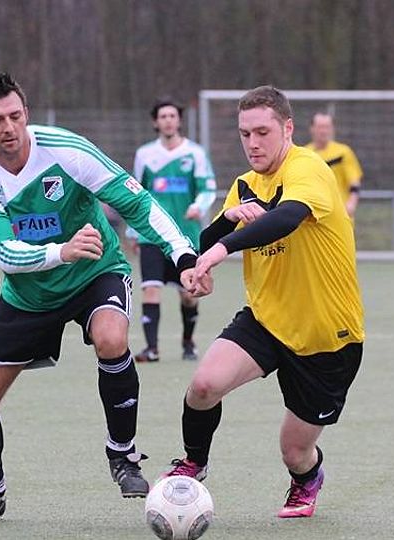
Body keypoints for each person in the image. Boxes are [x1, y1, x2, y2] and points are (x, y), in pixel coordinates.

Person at [0, 72, 198, 523]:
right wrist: (60, 251)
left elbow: (136, 203)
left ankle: (123, 455)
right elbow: (3, 253)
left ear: (27, 113)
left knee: (112, 338)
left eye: (15, 116)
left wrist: (182, 254)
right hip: (30, 294)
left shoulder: (66, 149)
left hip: (95, 272)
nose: (9, 128)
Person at [165, 86, 364, 519]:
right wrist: (221, 228)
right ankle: (194, 463)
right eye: (244, 134)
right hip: (266, 319)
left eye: (262, 132)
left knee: (294, 451)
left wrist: (221, 250)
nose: (253, 143)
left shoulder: (308, 167)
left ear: (287, 129)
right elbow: (205, 242)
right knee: (204, 386)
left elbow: (286, 218)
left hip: (326, 335)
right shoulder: (245, 185)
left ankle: (307, 478)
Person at [128, 97, 216, 363]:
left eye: (172, 116)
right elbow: (134, 195)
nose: (168, 121)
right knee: (150, 288)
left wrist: (198, 206)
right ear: (156, 122)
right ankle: (151, 348)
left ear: (179, 121)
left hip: (185, 235)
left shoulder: (195, 153)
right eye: (163, 117)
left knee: (189, 294)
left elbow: (208, 188)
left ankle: (188, 342)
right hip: (152, 235)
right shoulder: (145, 154)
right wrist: (133, 231)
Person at [305, 112, 363, 217]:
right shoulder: (305, 154)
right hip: (314, 215)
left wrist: (352, 203)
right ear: (312, 129)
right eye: (320, 127)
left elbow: (354, 181)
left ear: (332, 129)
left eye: (327, 127)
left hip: (340, 213)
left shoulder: (343, 152)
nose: (323, 131)